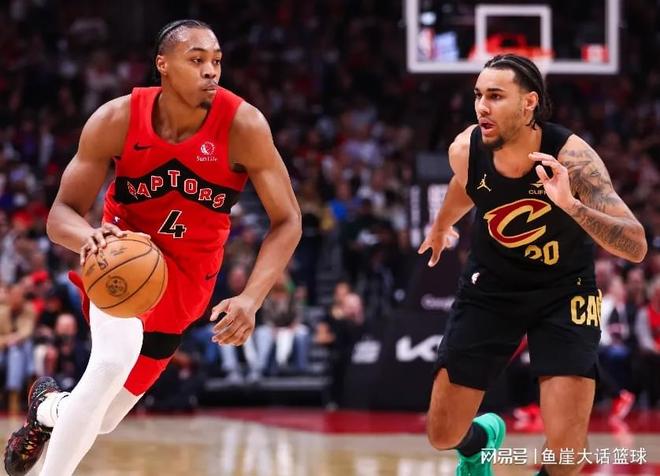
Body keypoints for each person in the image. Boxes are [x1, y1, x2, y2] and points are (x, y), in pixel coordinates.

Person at [4, 19, 301, 476]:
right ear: (163, 65)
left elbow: (288, 221)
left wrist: (251, 298)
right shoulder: (117, 119)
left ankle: (48, 408)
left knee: (101, 418)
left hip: (185, 286)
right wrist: (90, 237)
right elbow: (60, 214)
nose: (210, 70)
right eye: (196, 60)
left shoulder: (243, 125)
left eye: (216, 61)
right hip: (120, 263)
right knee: (111, 361)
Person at [417, 54, 647, 476]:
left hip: (564, 290)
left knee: (566, 456)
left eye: (495, 96)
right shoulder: (464, 149)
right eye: (478, 95)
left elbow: (636, 246)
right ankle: (481, 443)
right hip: (491, 287)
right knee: (443, 434)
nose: (482, 106)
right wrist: (441, 225)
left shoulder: (572, 158)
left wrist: (571, 205)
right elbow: (464, 185)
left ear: (529, 104)